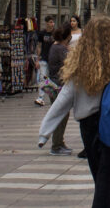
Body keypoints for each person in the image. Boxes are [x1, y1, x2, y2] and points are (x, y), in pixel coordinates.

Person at [37, 17, 110, 208]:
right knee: (104, 181)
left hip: (88, 128)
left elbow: (63, 99)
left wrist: (44, 132)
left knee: (101, 180)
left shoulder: (78, 65)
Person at [44, 23, 73, 155]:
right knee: (61, 114)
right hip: (58, 85)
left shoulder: (55, 46)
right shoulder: (60, 49)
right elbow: (70, 64)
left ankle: (59, 142)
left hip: (54, 84)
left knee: (63, 114)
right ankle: (56, 145)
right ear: (67, 36)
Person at [35, 15, 56, 106]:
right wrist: (37, 59)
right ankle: (41, 97)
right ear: (46, 23)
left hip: (53, 59)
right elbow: (39, 46)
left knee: (50, 79)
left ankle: (53, 95)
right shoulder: (42, 33)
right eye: (50, 22)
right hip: (43, 58)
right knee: (42, 78)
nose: (52, 24)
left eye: (53, 22)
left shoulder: (56, 33)